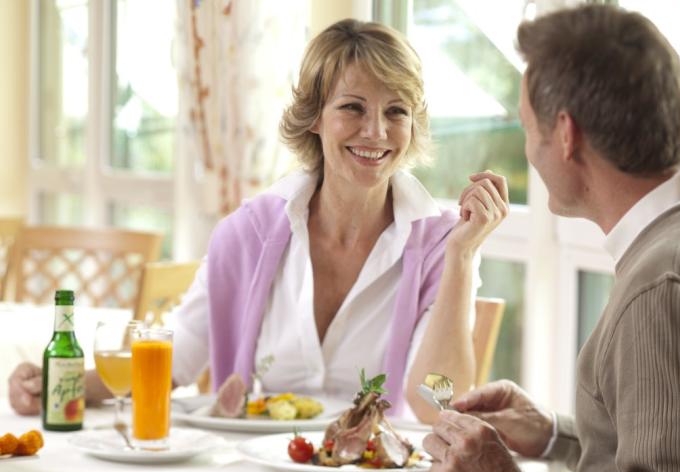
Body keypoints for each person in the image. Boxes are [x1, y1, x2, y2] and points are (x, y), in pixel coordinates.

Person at [8, 19, 509, 423]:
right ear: (314, 116)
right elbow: (178, 355)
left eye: (396, 111)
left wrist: (463, 257)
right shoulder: (247, 234)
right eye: (352, 108)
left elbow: (437, 403)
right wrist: (64, 381)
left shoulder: (442, 244)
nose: (376, 132)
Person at [423, 4, 680, 472]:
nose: (529, 150)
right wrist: (556, 433)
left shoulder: (672, 290)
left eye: (527, 127)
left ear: (565, 134)